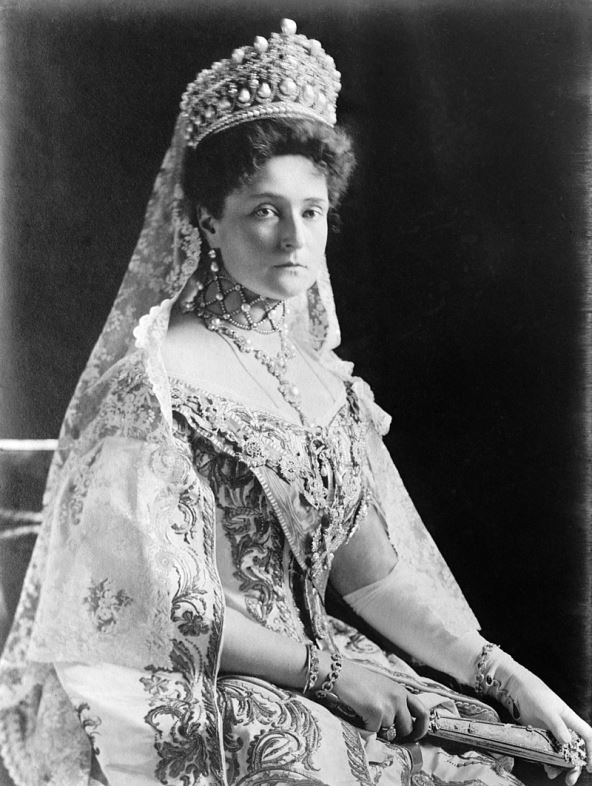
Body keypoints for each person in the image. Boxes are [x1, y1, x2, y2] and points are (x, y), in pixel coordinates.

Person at [0, 18, 590, 786]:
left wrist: (507, 677)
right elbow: (163, 606)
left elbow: (372, 577)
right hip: (202, 678)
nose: (294, 239)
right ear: (208, 221)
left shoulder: (324, 381)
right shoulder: (154, 385)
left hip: (326, 671)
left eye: (310, 211)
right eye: (264, 210)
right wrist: (330, 675)